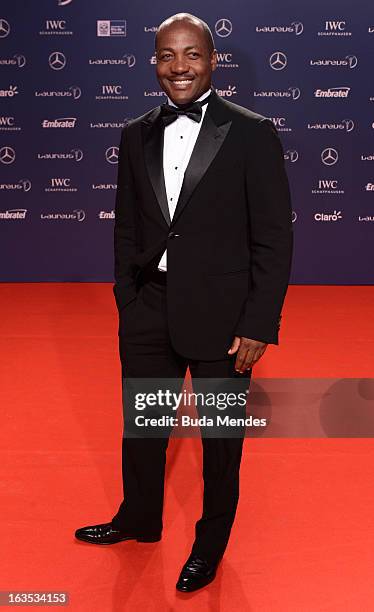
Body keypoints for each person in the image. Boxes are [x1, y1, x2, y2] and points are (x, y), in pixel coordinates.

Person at [75, 12, 293, 592]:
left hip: (226, 319)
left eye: (191, 54)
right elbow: (127, 225)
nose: (179, 66)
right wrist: (127, 296)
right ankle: (139, 518)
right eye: (167, 55)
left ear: (212, 59)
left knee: (221, 442)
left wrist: (258, 323)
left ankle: (210, 544)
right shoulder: (134, 133)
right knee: (144, 426)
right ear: (154, 62)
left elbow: (274, 237)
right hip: (149, 308)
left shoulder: (252, 132)